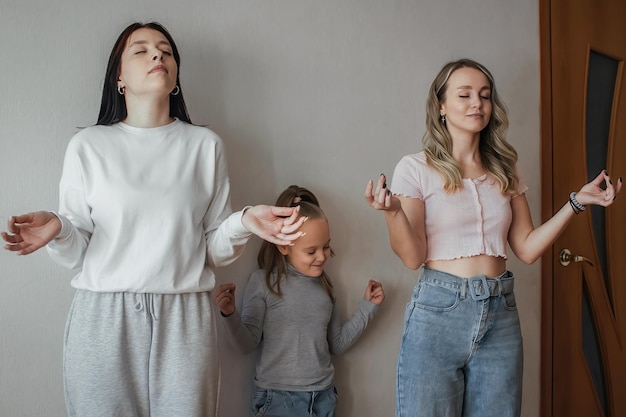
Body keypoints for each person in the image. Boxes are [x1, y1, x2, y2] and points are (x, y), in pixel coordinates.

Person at [1, 22, 307, 417]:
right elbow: (79, 253)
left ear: (176, 75)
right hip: (103, 319)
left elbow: (211, 249)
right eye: (141, 50)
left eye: (165, 50)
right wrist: (60, 228)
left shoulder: (205, 147)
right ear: (119, 78)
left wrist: (244, 221)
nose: (157, 55)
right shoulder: (88, 147)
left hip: (184, 318)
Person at [364, 58, 622, 417]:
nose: (477, 104)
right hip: (439, 311)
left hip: (501, 313)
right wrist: (393, 213)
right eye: (465, 95)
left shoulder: (505, 168)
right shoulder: (416, 168)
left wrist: (577, 202)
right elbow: (413, 256)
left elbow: (527, 248)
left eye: (484, 96)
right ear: (441, 106)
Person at [213, 185, 385, 417]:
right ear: (284, 245)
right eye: (311, 251)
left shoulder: (326, 287)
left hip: (323, 397)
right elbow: (247, 344)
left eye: (325, 247)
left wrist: (368, 307)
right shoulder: (263, 283)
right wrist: (229, 314)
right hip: (277, 399)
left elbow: (337, 344)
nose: (322, 256)